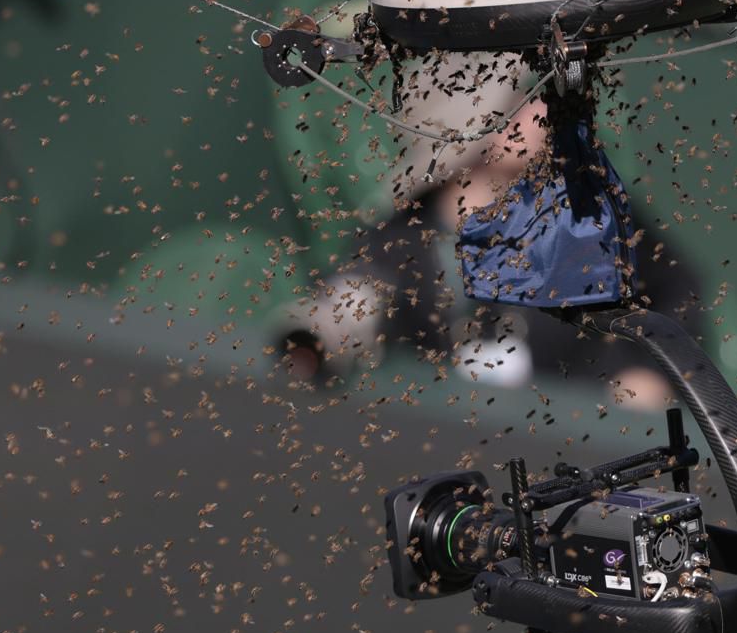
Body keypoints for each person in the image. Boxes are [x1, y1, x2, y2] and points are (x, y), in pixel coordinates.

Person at [277, 51, 705, 411]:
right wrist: (322, 336)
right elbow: (353, 302)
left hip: (580, 444)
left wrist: (647, 372)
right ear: (471, 132)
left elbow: (675, 288)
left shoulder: (587, 211)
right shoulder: (403, 242)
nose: (542, 112)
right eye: (520, 102)